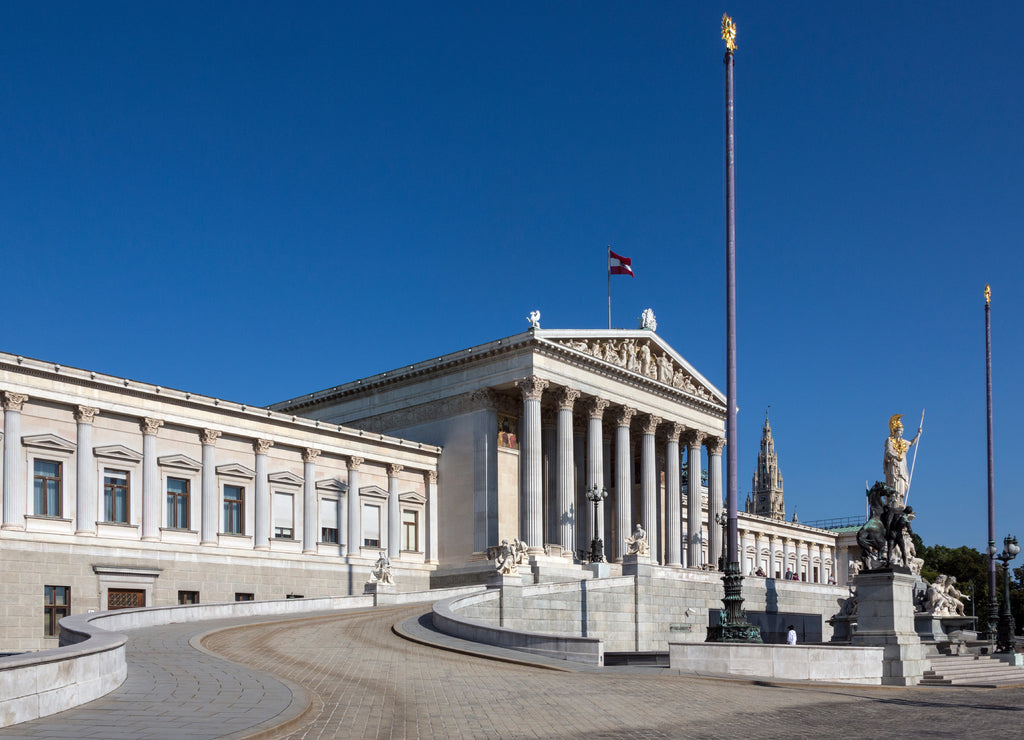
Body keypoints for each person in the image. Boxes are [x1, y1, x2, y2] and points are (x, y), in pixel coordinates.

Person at [884, 414, 922, 507]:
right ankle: (894, 500)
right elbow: (888, 451)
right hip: (894, 464)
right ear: (895, 431)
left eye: (902, 431)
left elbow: (911, 443)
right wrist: (896, 456)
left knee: (902, 481)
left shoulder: (903, 442)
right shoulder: (890, 441)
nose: (901, 433)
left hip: (902, 465)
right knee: (894, 481)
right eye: (900, 431)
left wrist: (918, 435)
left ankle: (900, 500)